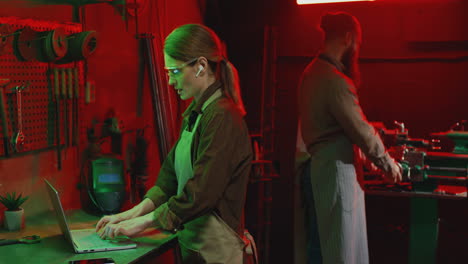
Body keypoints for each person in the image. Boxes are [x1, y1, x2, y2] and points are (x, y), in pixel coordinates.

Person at [96, 24, 253, 263]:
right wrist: (127, 215)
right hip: (195, 248)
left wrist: (142, 224)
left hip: (217, 254)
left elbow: (201, 193)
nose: (169, 81)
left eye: (175, 71)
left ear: (200, 66)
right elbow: (169, 178)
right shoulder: (195, 113)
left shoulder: (221, 117)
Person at [297, 12, 402, 264]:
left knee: (319, 246)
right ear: (347, 38)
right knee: (336, 252)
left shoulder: (310, 73)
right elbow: (361, 130)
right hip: (334, 175)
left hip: (317, 170)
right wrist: (388, 165)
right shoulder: (334, 80)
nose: (357, 49)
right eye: (357, 43)